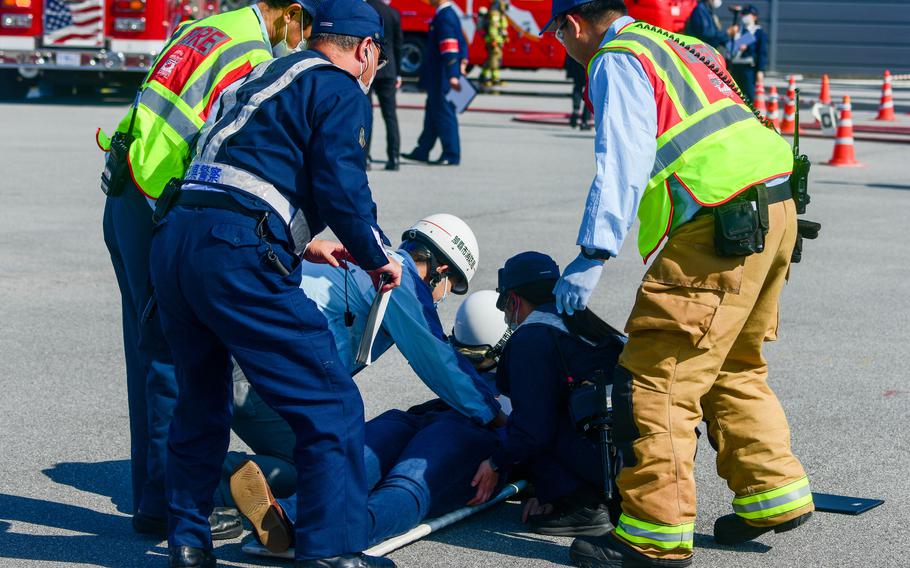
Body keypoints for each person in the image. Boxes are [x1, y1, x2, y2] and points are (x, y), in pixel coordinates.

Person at [542, 1, 813, 566]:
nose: (563, 49)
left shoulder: (619, 57)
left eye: (557, 37)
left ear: (572, 25)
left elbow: (623, 158)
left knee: (659, 372)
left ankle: (652, 535)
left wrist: (593, 253)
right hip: (775, 209)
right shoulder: (681, 44)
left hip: (721, 224)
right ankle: (773, 492)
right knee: (732, 361)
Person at [147, 0, 404, 566]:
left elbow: (242, 164)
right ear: (365, 49)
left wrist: (300, 238)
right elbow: (341, 186)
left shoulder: (265, 70)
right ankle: (332, 551)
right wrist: (376, 254)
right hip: (237, 251)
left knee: (202, 399)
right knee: (331, 403)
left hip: (179, 239)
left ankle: (188, 541)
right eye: (377, 58)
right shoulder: (338, 89)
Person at [95, 0, 314, 540]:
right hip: (162, 204)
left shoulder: (208, 29)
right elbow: (227, 153)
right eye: (303, 23)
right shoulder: (252, 57)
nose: (303, 36)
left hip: (126, 192)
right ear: (287, 13)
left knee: (147, 356)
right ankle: (170, 505)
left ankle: (153, 494)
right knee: (176, 357)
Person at [217, 214, 504, 503]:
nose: (443, 297)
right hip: (263, 377)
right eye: (450, 287)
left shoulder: (370, 258)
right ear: (440, 270)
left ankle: (189, 475)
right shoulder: (399, 279)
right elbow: (439, 362)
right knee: (320, 468)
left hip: (233, 356)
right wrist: (493, 416)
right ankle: (203, 482)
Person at [228, 289, 513, 553]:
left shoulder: (496, 378)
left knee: (381, 471)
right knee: (385, 472)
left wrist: (503, 459)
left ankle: (302, 518)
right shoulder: (513, 377)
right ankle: (308, 523)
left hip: (448, 427)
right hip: (450, 425)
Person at [467, 252, 624, 538]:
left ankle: (582, 505)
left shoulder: (532, 338)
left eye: (504, 305)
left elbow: (532, 431)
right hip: (640, 456)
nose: (506, 315)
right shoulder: (588, 327)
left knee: (527, 429)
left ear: (513, 300)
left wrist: (494, 464)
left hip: (608, 464)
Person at [401, 0, 468, 166]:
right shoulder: (447, 14)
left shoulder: (445, 16)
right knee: (432, 113)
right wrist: (464, 61)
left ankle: (451, 154)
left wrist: (453, 75)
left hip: (442, 76)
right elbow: (463, 41)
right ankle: (422, 150)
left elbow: (450, 47)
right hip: (439, 75)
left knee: (445, 114)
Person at [365, 0, 404, 171]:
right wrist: (399, 72)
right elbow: (398, 44)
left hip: (369, 68)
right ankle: (394, 157)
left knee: (367, 114)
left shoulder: (366, 10)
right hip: (389, 69)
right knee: (390, 116)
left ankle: (365, 157)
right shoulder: (393, 13)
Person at [725, 5, 767, 101]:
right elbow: (729, 49)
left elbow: (762, 52)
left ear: (755, 17)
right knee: (734, 94)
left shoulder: (758, 32)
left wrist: (760, 70)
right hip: (735, 66)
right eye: (743, 14)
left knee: (748, 95)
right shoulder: (738, 30)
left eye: (748, 14)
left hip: (748, 68)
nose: (745, 16)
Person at [479, 0, 509, 89]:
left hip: (496, 41)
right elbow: (493, 29)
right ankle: (494, 79)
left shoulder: (498, 15)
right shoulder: (495, 15)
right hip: (494, 41)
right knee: (494, 60)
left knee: (491, 59)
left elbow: (501, 28)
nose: (504, 8)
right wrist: (494, 40)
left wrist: (505, 37)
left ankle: (483, 76)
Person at [564, 56, 592, 130]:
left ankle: (575, 111)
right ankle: (585, 121)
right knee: (589, 91)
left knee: (577, 87)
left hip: (576, 62)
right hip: (589, 63)